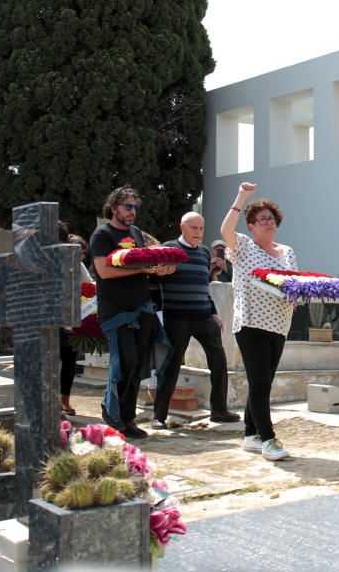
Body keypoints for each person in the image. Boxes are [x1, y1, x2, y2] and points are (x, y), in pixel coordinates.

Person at [90, 187, 176, 440]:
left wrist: (161, 268)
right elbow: (103, 272)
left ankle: (128, 419)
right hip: (116, 311)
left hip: (142, 308)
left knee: (137, 364)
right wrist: (144, 271)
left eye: (135, 208)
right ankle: (112, 412)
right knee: (124, 362)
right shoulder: (102, 234)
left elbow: (152, 260)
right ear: (114, 207)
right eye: (128, 207)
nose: (132, 212)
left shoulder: (137, 234)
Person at [220, 183, 297, 462]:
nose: (268, 222)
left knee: (262, 383)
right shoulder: (242, 246)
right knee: (261, 383)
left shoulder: (287, 251)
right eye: (261, 219)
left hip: (279, 324)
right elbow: (225, 230)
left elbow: (293, 283)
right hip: (251, 323)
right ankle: (268, 439)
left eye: (271, 218)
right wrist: (241, 197)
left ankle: (250, 435)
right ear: (251, 226)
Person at [153, 212, 240, 430]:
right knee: (171, 366)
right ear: (182, 227)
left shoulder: (203, 253)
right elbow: (156, 277)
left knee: (219, 361)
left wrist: (213, 312)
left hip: (203, 316)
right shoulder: (169, 248)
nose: (198, 233)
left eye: (201, 229)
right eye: (194, 228)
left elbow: (204, 285)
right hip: (177, 318)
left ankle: (219, 410)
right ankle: (159, 416)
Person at [60, 233, 94, 416]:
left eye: (82, 254)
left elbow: (89, 285)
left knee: (69, 361)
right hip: (54, 320)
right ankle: (51, 399)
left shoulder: (79, 267)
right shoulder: (55, 265)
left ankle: (65, 399)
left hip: (73, 318)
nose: (80, 257)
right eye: (77, 253)